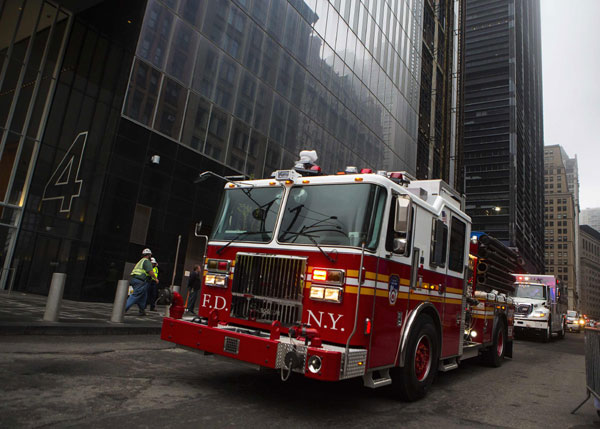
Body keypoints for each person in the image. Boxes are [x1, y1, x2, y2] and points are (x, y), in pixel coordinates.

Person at [126, 248, 157, 316]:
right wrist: (155, 278)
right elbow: (150, 271)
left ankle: (142, 310)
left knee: (143, 295)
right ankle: (123, 309)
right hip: (140, 281)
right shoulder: (146, 261)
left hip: (135, 279)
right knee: (135, 295)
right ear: (149, 255)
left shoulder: (140, 261)